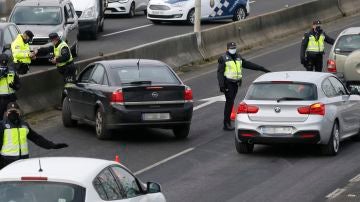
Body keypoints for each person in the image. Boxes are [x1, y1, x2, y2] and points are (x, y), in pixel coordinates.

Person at [217, 42, 270, 131]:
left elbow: (248, 64)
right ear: (227, 49)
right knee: (229, 102)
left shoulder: (238, 57)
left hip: (235, 83)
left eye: (234, 47)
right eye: (231, 48)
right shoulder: (223, 59)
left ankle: (227, 120)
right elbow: (220, 73)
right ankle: (226, 124)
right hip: (228, 83)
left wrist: (262, 68)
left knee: (231, 102)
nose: (233, 49)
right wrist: (221, 85)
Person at [0, 102, 68, 169]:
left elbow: (36, 138)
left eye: (15, 111)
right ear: (6, 113)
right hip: (7, 160)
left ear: (19, 112)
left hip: (23, 160)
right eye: (10, 111)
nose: (13, 113)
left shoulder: (24, 125)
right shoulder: (2, 125)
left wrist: (52, 145)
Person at [0, 54, 20, 121]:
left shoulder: (12, 70)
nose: (3, 65)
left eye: (5, 62)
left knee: (15, 117)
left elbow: (19, 84)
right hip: (1, 98)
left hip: (11, 98)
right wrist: (1, 75)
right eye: (2, 63)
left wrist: (14, 86)